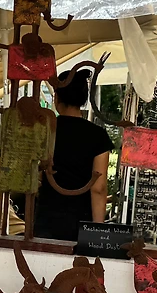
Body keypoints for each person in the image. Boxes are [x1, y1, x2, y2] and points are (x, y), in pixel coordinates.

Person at [32, 68, 112, 241]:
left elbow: (33, 173)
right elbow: (98, 188)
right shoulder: (98, 136)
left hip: (46, 219)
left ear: (56, 98)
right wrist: (97, 232)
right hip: (82, 222)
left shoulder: (45, 130)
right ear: (83, 99)